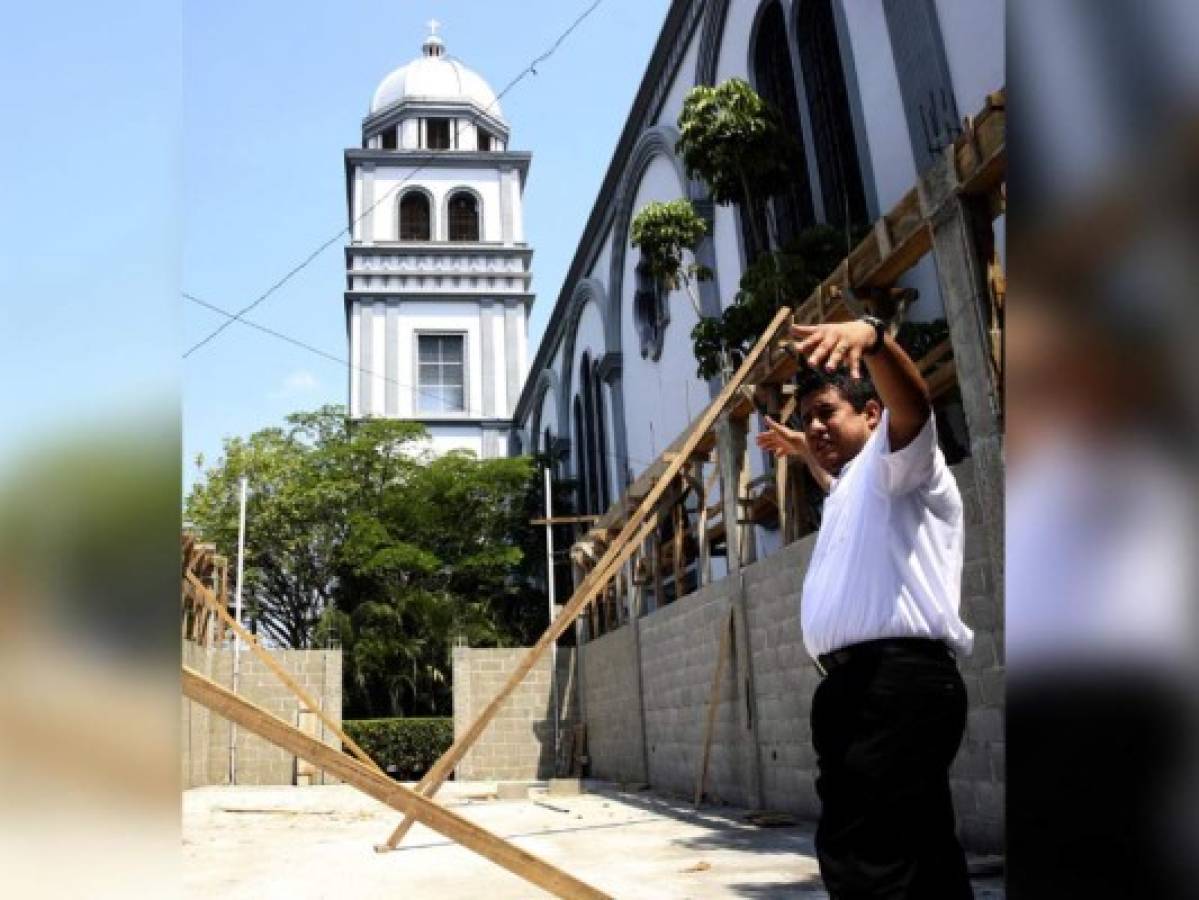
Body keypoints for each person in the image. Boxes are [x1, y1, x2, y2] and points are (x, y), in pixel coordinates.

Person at [756, 317, 975, 898]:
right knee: (920, 853)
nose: (816, 426)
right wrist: (805, 447)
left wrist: (874, 340)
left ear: (872, 416)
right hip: (866, 689)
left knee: (863, 855)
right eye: (808, 418)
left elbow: (915, 408)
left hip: (891, 684)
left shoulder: (902, 461)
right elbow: (832, 474)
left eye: (828, 412)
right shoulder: (854, 484)